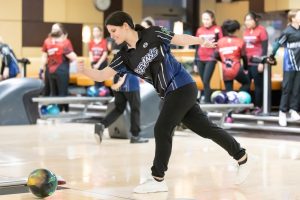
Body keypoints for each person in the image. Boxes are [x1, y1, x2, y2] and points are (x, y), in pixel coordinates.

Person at [78, 11, 252, 193]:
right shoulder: (123, 57)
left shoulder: (152, 33)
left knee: (162, 128)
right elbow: (101, 75)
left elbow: (180, 39)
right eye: (110, 32)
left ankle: (158, 178)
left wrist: (201, 41)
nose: (112, 36)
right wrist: (85, 70)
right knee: (206, 128)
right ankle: (243, 157)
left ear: (125, 26)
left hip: (182, 85)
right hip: (169, 94)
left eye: (114, 31)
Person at [94, 73, 148, 143]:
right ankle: (135, 136)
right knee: (135, 109)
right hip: (130, 82)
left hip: (117, 82)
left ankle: (101, 125)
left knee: (119, 109)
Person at [268, 10, 300, 126]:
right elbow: (277, 44)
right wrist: (271, 56)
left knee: (297, 89)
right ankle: (282, 112)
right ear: (293, 18)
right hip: (289, 65)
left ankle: (294, 110)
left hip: (299, 65)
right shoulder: (287, 32)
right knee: (287, 89)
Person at [41, 23, 77, 112]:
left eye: (56, 29)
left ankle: (63, 110)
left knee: (62, 92)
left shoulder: (66, 42)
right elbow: (44, 56)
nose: (54, 30)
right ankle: (55, 110)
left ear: (61, 31)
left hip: (62, 69)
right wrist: (41, 69)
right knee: (53, 92)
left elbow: (74, 57)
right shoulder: (47, 41)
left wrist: (68, 62)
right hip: (50, 70)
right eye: (53, 28)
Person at [194, 10, 223, 103]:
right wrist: (195, 62)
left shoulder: (217, 29)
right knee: (204, 82)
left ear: (212, 19)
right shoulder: (199, 30)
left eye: (207, 19)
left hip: (211, 59)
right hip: (199, 58)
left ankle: (207, 103)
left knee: (206, 81)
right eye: (203, 19)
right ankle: (207, 101)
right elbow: (197, 46)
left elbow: (221, 43)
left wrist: (216, 54)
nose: (205, 21)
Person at [243, 12, 269, 115]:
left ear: (255, 20)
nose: (247, 22)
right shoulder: (246, 31)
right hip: (247, 63)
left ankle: (258, 106)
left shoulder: (261, 30)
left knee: (258, 86)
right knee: (246, 85)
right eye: (246, 20)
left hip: (257, 63)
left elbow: (265, 48)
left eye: (250, 20)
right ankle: (246, 106)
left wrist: (262, 62)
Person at [216, 20, 250, 92]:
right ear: (236, 30)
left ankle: (232, 99)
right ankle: (239, 97)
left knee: (229, 93)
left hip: (226, 70)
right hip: (237, 69)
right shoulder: (240, 41)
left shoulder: (220, 41)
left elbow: (216, 55)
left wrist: (223, 60)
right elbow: (244, 57)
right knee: (247, 83)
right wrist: (246, 69)